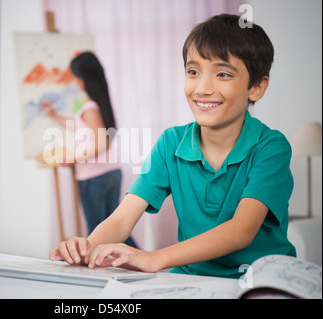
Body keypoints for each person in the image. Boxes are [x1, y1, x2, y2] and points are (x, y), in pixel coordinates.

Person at [49, 14, 297, 279]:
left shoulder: (271, 147)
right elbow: (122, 218)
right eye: (193, 72)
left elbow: (241, 230)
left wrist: (155, 258)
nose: (202, 88)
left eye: (223, 74)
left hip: (261, 281)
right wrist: (88, 245)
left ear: (257, 87)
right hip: (191, 279)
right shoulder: (171, 143)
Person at [41, 51, 138, 248]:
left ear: (82, 79)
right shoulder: (99, 105)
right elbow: (77, 125)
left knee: (96, 234)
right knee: (116, 230)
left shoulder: (89, 108)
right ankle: (144, 264)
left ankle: (143, 265)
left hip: (94, 178)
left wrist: (73, 158)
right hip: (111, 172)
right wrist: (53, 115)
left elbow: (101, 144)